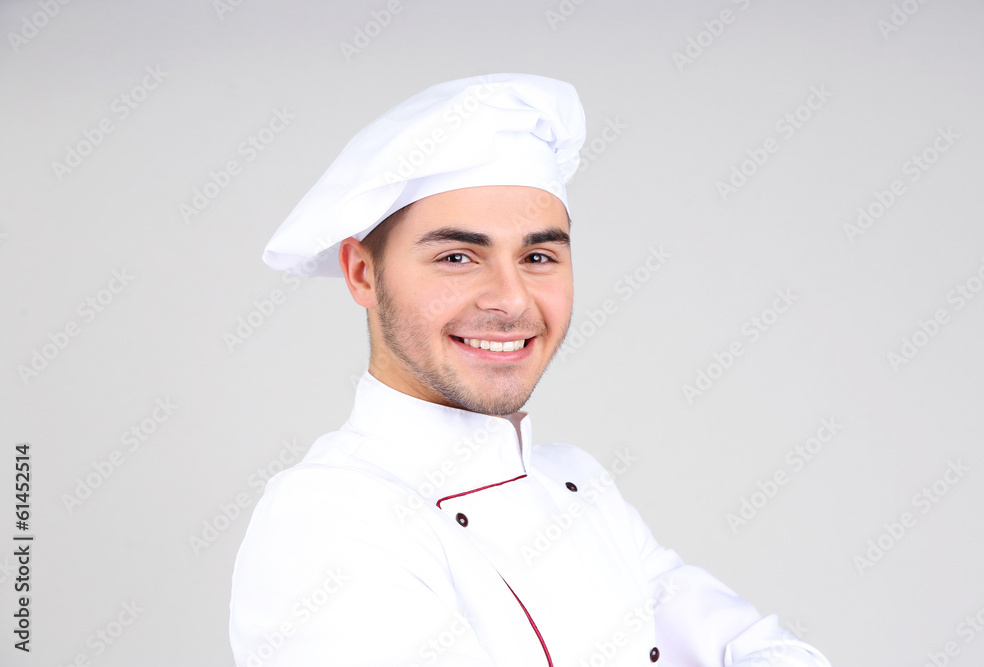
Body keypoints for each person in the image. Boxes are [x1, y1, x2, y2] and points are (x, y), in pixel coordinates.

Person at [229, 73, 832, 666]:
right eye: (458, 257)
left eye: (538, 256)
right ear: (363, 273)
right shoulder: (327, 517)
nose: (511, 300)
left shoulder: (576, 482)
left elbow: (752, 646)